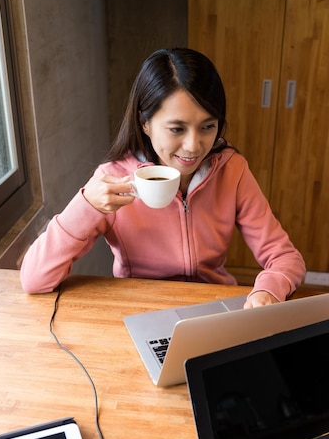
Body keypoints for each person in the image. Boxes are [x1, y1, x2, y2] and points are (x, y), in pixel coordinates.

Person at [20, 48, 305, 308]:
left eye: (208, 126)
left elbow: (285, 257)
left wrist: (266, 291)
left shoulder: (233, 170)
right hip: (138, 310)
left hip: (213, 309)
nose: (194, 146)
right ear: (145, 123)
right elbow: (34, 279)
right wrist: (85, 206)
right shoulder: (113, 178)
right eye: (177, 129)